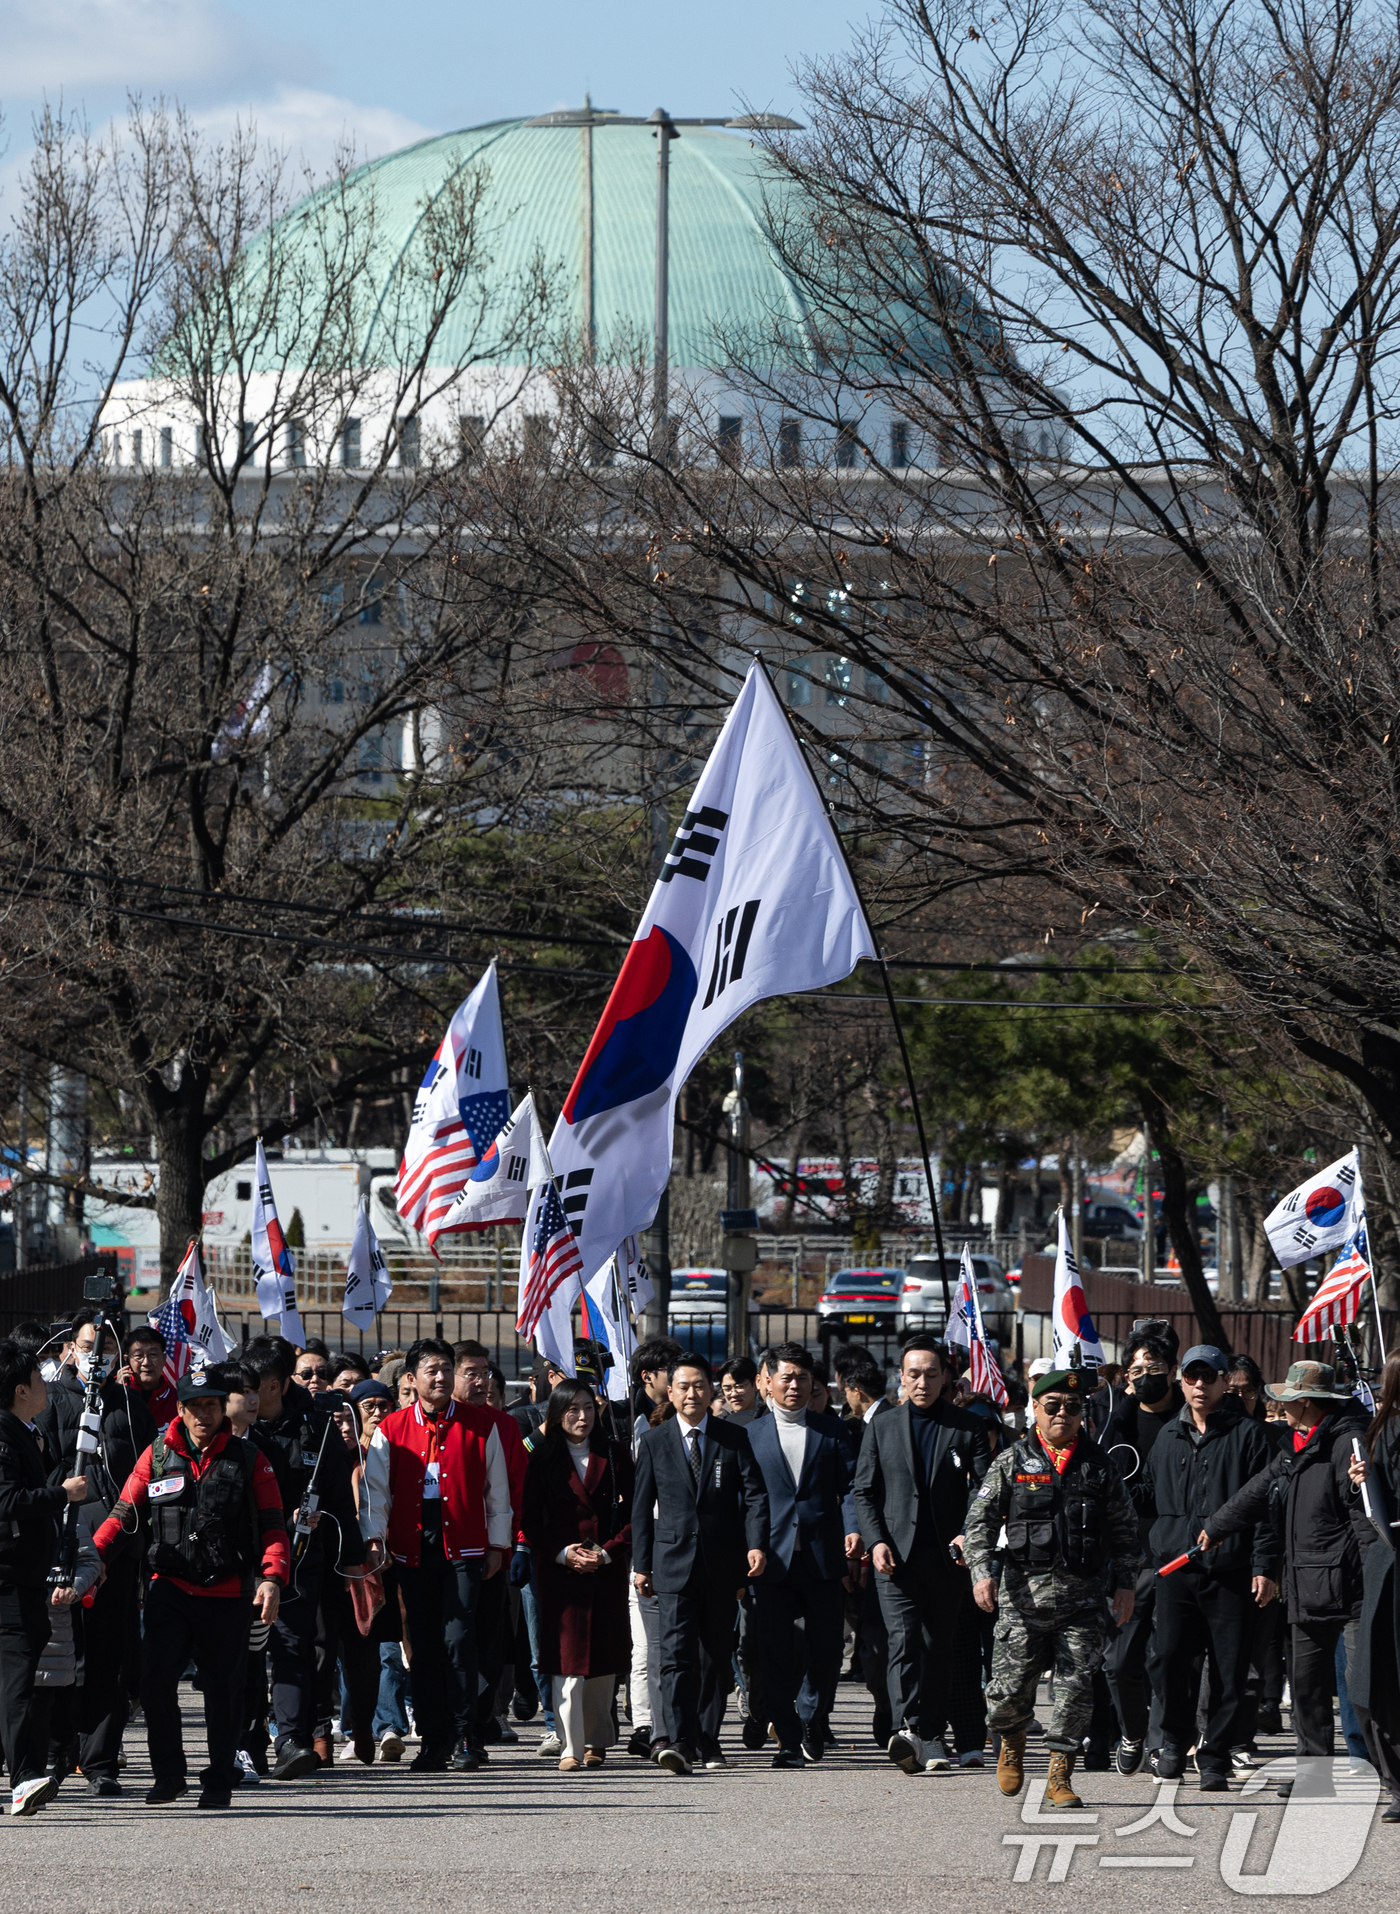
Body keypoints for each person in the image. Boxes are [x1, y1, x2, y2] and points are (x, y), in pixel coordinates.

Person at [93, 1367, 288, 1810]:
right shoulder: (157, 1454)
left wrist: (273, 1577)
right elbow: (124, 1513)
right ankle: (169, 1775)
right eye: (196, 1406)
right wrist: (94, 1559)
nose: (204, 1414)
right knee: (156, 1682)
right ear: (179, 1409)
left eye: (213, 1406)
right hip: (170, 1591)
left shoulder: (249, 1457)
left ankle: (218, 1779)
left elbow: (275, 1525)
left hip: (228, 1595)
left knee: (224, 1692)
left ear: (223, 1409)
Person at [965, 1364, 1142, 1809]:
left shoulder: (1099, 1466)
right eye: (1053, 1406)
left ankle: (1060, 1776)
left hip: (1082, 1599)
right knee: (1005, 1694)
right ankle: (1011, 1741)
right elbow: (979, 1523)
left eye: (1073, 1407)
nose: (1063, 1413)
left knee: (1075, 1690)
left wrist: (1125, 1584)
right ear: (1036, 1410)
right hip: (1021, 1601)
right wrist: (981, 1572)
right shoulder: (1012, 1461)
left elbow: (1124, 1531)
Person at [1200, 1359, 1373, 1794]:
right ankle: (1316, 1777)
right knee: (1308, 1689)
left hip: (1351, 1587)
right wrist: (1216, 1527)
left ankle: (1391, 1779)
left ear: (1308, 1403)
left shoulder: (1347, 1442)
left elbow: (1364, 1512)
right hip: (1305, 1584)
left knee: (1365, 1691)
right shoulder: (1295, 1444)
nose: (1280, 1405)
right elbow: (1257, 1491)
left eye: (1289, 1399)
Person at [361, 1337, 511, 1772]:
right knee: (422, 1646)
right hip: (412, 1546)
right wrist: (375, 1539)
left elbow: (497, 1491)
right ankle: (433, 1739)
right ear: (412, 1379)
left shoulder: (481, 1425)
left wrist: (498, 1544)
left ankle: (468, 1735)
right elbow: (375, 1491)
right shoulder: (392, 1429)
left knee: (459, 1640)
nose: (442, 1377)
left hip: (464, 1545)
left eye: (447, 1369)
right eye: (432, 1370)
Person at [1137, 1344, 1278, 1791]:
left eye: (1209, 1377)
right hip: (1176, 1570)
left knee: (1228, 1670)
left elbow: (1265, 1509)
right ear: (1181, 1381)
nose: (1200, 1385)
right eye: (1192, 1377)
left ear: (1223, 1382)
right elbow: (1150, 1497)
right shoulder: (1167, 1436)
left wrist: (1264, 1565)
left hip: (1231, 1571)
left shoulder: (1250, 1436)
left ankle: (1215, 1756)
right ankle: (1174, 1744)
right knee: (1170, 1660)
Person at [854, 1336, 991, 1776]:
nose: (923, 1382)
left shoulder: (967, 1426)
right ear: (901, 1376)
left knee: (938, 1646)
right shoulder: (883, 1425)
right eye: (914, 1373)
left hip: (949, 1559)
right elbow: (864, 1490)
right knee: (904, 1640)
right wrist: (875, 1541)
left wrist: (969, 1533)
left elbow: (984, 1488)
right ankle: (906, 1728)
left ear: (947, 1377)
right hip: (894, 1557)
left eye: (932, 1373)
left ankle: (930, 1734)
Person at [36, 1305, 157, 1797]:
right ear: (69, 1350)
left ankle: (102, 1759)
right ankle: (56, 1752)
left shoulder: (131, 1406)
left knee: (111, 1657)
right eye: (87, 1348)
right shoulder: (49, 1403)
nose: (96, 1359)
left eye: (104, 1350)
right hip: (63, 1548)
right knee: (64, 1656)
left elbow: (150, 1476)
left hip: (119, 1549)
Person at [631, 1351, 768, 1774]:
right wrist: (641, 1564)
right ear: (669, 1393)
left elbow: (755, 1497)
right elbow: (640, 1508)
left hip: (721, 1564)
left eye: (700, 1386)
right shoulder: (654, 1442)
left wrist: (755, 1544)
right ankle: (678, 1739)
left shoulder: (732, 1438)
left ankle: (708, 1739)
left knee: (714, 1658)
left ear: (712, 1391)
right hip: (670, 1564)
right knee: (673, 1656)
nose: (692, 1394)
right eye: (684, 1387)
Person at [242, 1336, 365, 1777]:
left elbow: (338, 1497)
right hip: (242, 1557)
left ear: (275, 1386)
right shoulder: (235, 1423)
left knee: (293, 1646)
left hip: (301, 1558)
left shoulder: (318, 1424)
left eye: (255, 1389)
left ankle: (290, 1740)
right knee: (246, 1650)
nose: (247, 1397)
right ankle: (247, 1741)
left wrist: (348, 1554)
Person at [745, 1342, 860, 1766]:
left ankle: (814, 1717)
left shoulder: (831, 1430)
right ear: (768, 1382)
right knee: (773, 1652)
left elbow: (849, 1487)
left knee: (827, 1648)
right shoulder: (750, 1434)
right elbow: (746, 1497)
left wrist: (853, 1531)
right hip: (771, 1559)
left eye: (803, 1378)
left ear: (814, 1384)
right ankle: (788, 1738)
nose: (794, 1386)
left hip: (821, 1555)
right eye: (787, 1377)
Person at [521, 1378, 634, 1771]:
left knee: (603, 1660)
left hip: (605, 1568)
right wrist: (562, 1553)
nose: (582, 1417)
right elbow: (530, 1520)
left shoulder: (616, 1454)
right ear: (556, 1414)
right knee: (566, 1661)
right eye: (572, 1409)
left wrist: (607, 1553)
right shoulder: (542, 1458)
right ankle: (569, 1745)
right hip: (561, 1572)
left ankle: (597, 1741)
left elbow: (636, 1514)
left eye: (588, 1407)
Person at [0, 1340, 88, 1816]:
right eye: (37, 1379)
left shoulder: (24, 1430)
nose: (45, 1385)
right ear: (19, 1391)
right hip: (9, 1577)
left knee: (18, 1679)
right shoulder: (3, 1436)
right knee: (19, 1681)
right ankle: (24, 1778)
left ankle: (24, 1773)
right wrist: (61, 1494)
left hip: (25, 1575)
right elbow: (6, 1502)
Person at [1099, 1329, 1182, 1773]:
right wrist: (1125, 1402)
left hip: (1174, 1555)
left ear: (1172, 1370)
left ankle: (1159, 1744)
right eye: (1137, 1370)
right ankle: (1132, 1731)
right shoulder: (1120, 1420)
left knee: (1166, 1658)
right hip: (1129, 1562)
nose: (1146, 1377)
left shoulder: (1188, 1421)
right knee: (1118, 1661)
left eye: (1154, 1368)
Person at [453, 1341, 528, 1748]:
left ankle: (482, 1717)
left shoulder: (505, 1425)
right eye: (472, 1373)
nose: (482, 1381)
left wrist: (509, 1546)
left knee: (490, 1641)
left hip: (492, 1555)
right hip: (444, 1554)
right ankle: (453, 1721)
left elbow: (515, 1491)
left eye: (486, 1373)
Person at [1347, 1354, 1400, 1820]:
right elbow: (1371, 1504)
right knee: (1376, 1675)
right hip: (1389, 1561)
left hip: (1387, 1563)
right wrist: (1366, 1482)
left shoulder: (1381, 1433)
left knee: (1378, 1676)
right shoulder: (1381, 1435)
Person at [118, 1323, 178, 1428]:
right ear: (126, 1359)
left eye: (153, 1355)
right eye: (138, 1356)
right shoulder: (110, 1389)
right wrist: (116, 1391)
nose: (146, 1362)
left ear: (164, 1358)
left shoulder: (177, 1399)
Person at [718, 1357, 763, 1425]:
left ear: (755, 1384)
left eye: (739, 1387)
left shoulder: (767, 1418)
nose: (733, 1394)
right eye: (727, 1389)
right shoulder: (718, 1425)